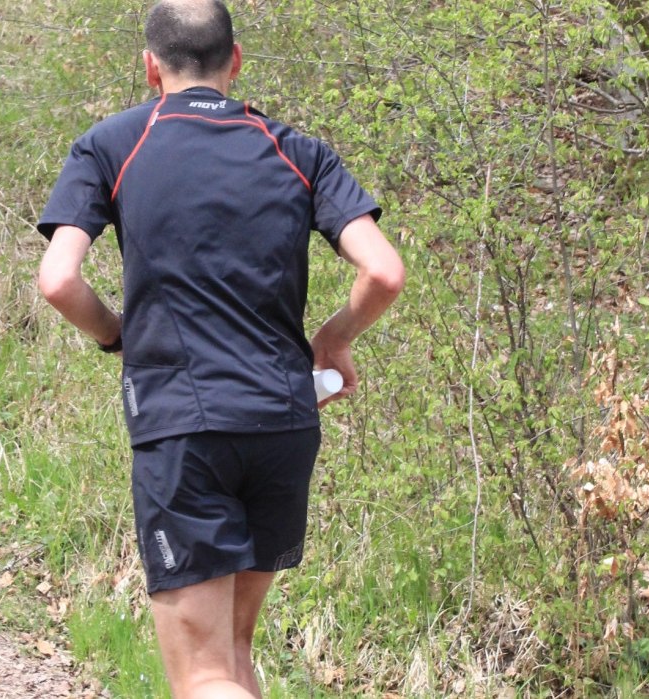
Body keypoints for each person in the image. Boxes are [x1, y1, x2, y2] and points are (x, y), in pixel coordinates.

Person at [36, 1, 403, 696]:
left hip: (184, 428)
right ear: (235, 60)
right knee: (233, 654)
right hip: (285, 422)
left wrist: (115, 333)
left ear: (151, 67)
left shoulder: (112, 144)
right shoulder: (298, 151)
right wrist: (333, 338)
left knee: (204, 674)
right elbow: (383, 272)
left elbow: (58, 281)